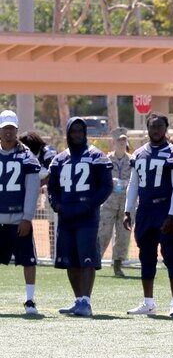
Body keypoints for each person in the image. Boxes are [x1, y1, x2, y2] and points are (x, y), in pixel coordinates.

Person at [49, 117, 114, 317]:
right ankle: (78, 300)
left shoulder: (96, 156)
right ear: (68, 133)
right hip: (67, 216)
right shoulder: (59, 159)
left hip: (87, 217)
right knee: (70, 260)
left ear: (85, 133)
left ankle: (86, 300)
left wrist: (90, 204)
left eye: (80, 131)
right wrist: (56, 204)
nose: (77, 135)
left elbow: (106, 186)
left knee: (87, 259)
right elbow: (52, 188)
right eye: (73, 131)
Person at [123, 113, 173, 316]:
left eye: (159, 126)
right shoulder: (139, 153)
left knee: (170, 256)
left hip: (163, 209)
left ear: (166, 129)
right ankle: (148, 302)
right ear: (147, 128)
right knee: (146, 256)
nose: (155, 130)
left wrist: (171, 214)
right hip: (145, 211)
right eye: (152, 126)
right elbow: (134, 184)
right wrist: (127, 210)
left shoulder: (172, 153)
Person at [0, 110, 42, 315]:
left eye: (11, 128)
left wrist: (27, 217)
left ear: (16, 130)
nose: (8, 132)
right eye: (4, 128)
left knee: (28, 261)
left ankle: (30, 300)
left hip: (18, 219)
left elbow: (33, 189)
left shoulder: (26, 156)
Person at [99, 128, 132, 278]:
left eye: (124, 140)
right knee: (103, 232)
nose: (121, 143)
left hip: (125, 203)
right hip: (108, 202)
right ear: (113, 142)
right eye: (119, 140)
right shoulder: (106, 160)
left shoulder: (132, 160)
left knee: (123, 235)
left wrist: (128, 183)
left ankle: (117, 265)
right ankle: (95, 262)